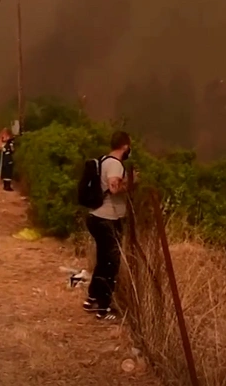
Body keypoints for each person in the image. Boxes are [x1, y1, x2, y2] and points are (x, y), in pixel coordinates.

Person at [84, 130, 131, 321]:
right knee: (111, 263)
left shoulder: (103, 160)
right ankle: (104, 308)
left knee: (102, 260)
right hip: (108, 219)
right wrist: (130, 184)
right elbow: (113, 188)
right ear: (125, 146)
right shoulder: (115, 165)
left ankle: (92, 298)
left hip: (95, 216)